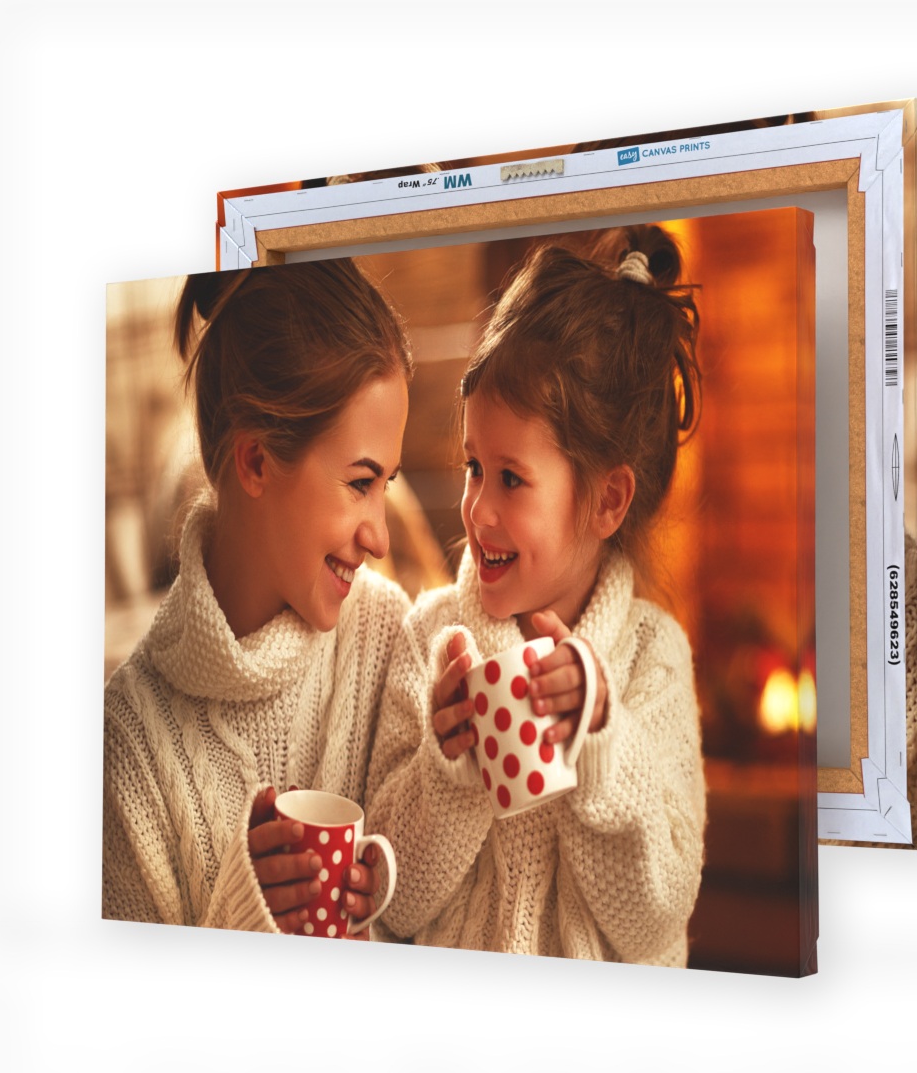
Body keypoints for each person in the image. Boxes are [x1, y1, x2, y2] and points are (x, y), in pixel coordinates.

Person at [366, 226, 707, 966]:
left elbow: (654, 918)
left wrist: (598, 739)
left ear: (608, 501)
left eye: (511, 479)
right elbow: (391, 901)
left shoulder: (653, 659)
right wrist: (448, 767)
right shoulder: (430, 643)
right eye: (471, 467)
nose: (477, 509)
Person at [103, 259, 413, 936]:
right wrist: (242, 923)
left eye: (386, 483)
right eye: (361, 483)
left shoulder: (391, 640)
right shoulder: (129, 739)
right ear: (256, 461)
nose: (381, 538)